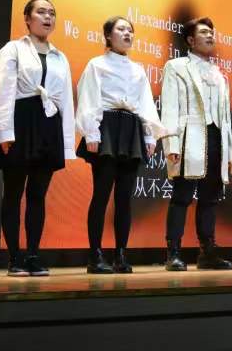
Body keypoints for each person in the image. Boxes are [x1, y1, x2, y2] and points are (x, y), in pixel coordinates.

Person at [76, 16, 168, 273]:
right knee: (102, 193)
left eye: (130, 30)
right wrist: (91, 133)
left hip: (131, 129)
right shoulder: (96, 64)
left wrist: (149, 137)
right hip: (106, 128)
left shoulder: (138, 70)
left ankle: (120, 254)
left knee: (125, 197)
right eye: (121, 29)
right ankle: (95, 255)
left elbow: (145, 103)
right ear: (108, 35)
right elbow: (88, 97)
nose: (127, 33)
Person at [0, 0, 75, 277]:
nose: (48, 17)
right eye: (41, 12)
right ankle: (14, 257)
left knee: (38, 195)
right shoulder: (14, 48)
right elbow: (4, 90)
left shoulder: (60, 56)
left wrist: (66, 142)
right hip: (20, 121)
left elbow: (65, 100)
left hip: (49, 124)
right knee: (13, 193)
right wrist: (4, 132)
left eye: (52, 13)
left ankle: (32, 255)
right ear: (27, 19)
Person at [160, 17, 232, 271]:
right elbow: (169, 107)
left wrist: (230, 154)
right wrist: (171, 144)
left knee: (210, 198)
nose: (210, 35)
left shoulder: (219, 74)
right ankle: (173, 252)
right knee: (181, 196)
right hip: (188, 137)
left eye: (212, 32)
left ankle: (208, 252)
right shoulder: (176, 66)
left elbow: (225, 118)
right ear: (191, 40)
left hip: (216, 138)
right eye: (204, 32)